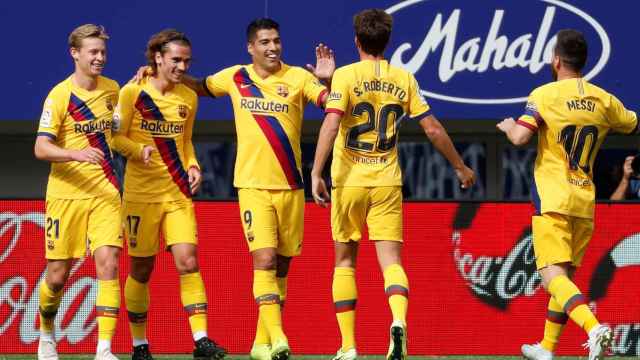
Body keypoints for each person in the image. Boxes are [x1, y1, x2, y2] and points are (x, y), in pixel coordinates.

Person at [310, 9, 475, 360]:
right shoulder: (403, 78)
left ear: (356, 40)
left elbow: (331, 123)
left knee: (344, 263)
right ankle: (398, 322)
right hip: (386, 181)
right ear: (388, 41)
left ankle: (348, 346)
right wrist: (460, 167)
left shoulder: (345, 75)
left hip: (349, 181)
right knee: (391, 262)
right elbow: (432, 129)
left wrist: (315, 172)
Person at [167, 18, 334, 360]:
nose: (273, 47)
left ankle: (261, 344)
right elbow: (199, 86)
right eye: (265, 42)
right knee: (265, 259)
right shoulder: (235, 77)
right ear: (250, 47)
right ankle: (280, 338)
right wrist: (160, 74)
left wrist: (329, 80)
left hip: (290, 186)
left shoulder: (299, 78)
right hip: (252, 187)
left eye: (276, 41)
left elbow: (332, 105)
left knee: (283, 267)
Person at [496, 29, 638, 360]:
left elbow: (519, 138)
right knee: (566, 278)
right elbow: (633, 124)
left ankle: (593, 328)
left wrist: (506, 127)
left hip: (554, 198)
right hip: (584, 200)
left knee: (552, 278)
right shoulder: (604, 100)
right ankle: (547, 348)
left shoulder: (544, 95)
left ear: (556, 60)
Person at [112, 29, 226, 360]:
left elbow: (186, 140)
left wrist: (194, 166)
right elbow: (115, 139)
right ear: (157, 58)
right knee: (141, 270)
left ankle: (201, 340)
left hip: (176, 192)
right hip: (140, 196)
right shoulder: (132, 92)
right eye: (176, 60)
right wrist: (137, 150)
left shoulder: (188, 97)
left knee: (188, 261)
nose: (181, 67)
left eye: (186, 61)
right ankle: (139, 344)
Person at [34, 24, 122, 360]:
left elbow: (116, 128)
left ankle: (104, 349)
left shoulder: (112, 90)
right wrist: (75, 153)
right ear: (75, 53)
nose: (100, 58)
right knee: (57, 276)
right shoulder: (59, 95)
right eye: (93, 52)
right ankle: (45, 335)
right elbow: (41, 148)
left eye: (103, 52)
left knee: (109, 264)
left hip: (105, 192)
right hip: (65, 194)